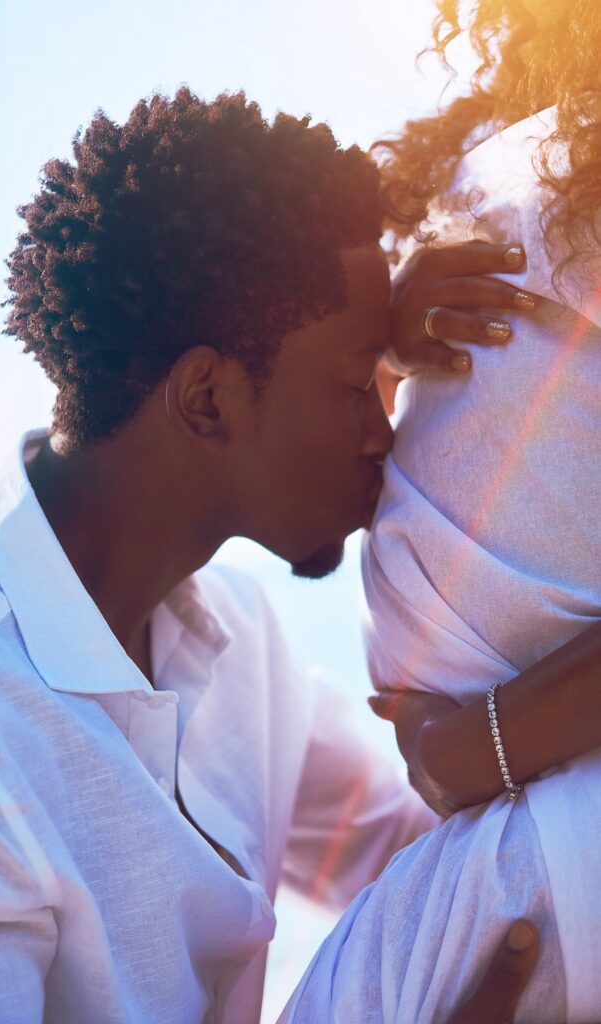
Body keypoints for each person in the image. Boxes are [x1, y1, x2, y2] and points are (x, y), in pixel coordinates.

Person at [0, 88, 596, 1024]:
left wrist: (464, 742)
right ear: (206, 399)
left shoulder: (232, 635)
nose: (386, 432)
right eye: (362, 385)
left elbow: (429, 845)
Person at [280, 1, 601, 1021]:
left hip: (539, 807)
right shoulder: (531, 162)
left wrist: (465, 746)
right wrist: (384, 338)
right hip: (511, 803)